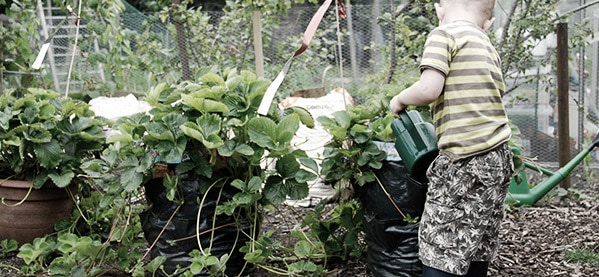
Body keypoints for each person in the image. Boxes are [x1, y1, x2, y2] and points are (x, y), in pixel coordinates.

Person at [388, 0, 513, 276]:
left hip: (464, 159)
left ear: (439, 9)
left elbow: (430, 88)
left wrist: (400, 99)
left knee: (440, 244)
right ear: (488, 22)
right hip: (499, 157)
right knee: (477, 237)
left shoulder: (443, 34)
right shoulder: (486, 45)